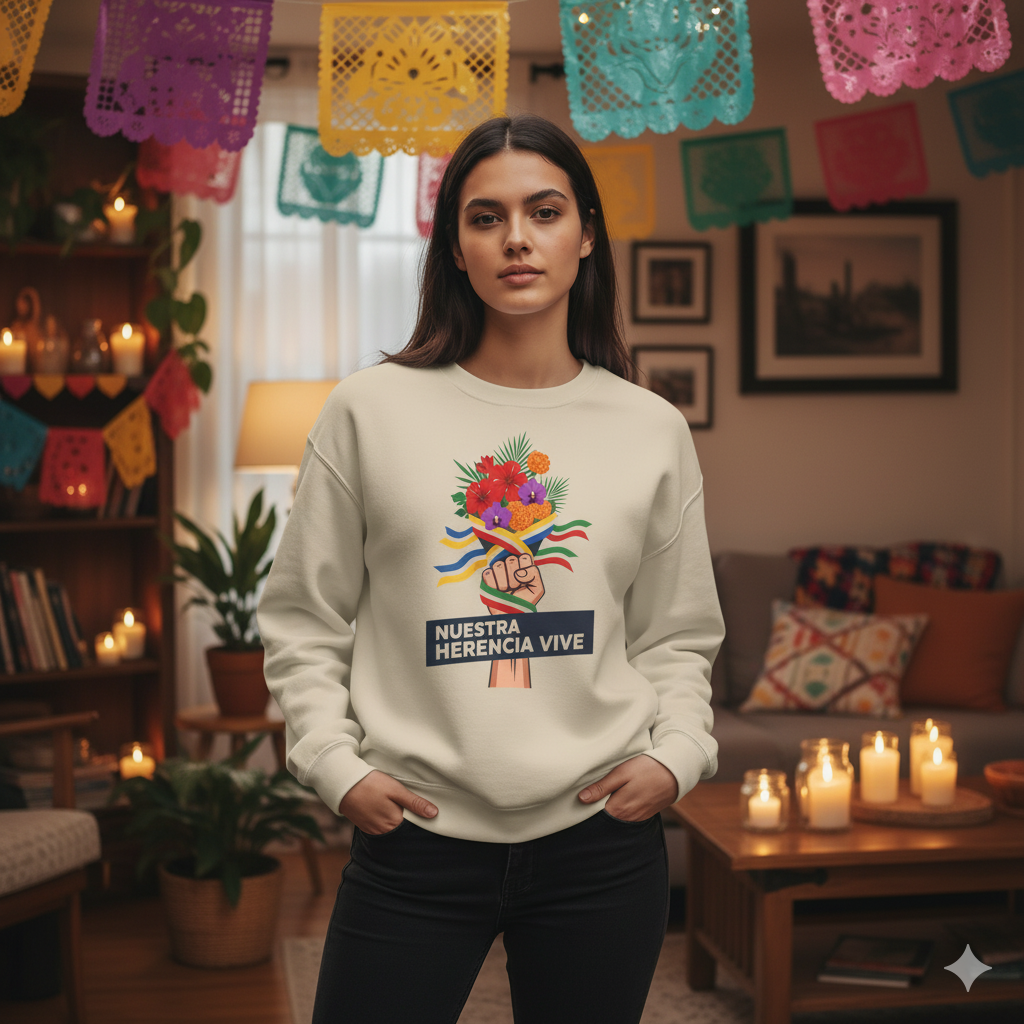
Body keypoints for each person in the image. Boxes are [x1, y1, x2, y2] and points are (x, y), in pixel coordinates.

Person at [257, 112, 724, 1024]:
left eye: (544, 212)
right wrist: (331, 762)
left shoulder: (650, 427)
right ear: (454, 249)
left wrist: (677, 755)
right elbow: (304, 618)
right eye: (484, 217)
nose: (516, 238)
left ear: (586, 234)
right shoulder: (368, 411)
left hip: (603, 840)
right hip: (413, 844)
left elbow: (677, 634)